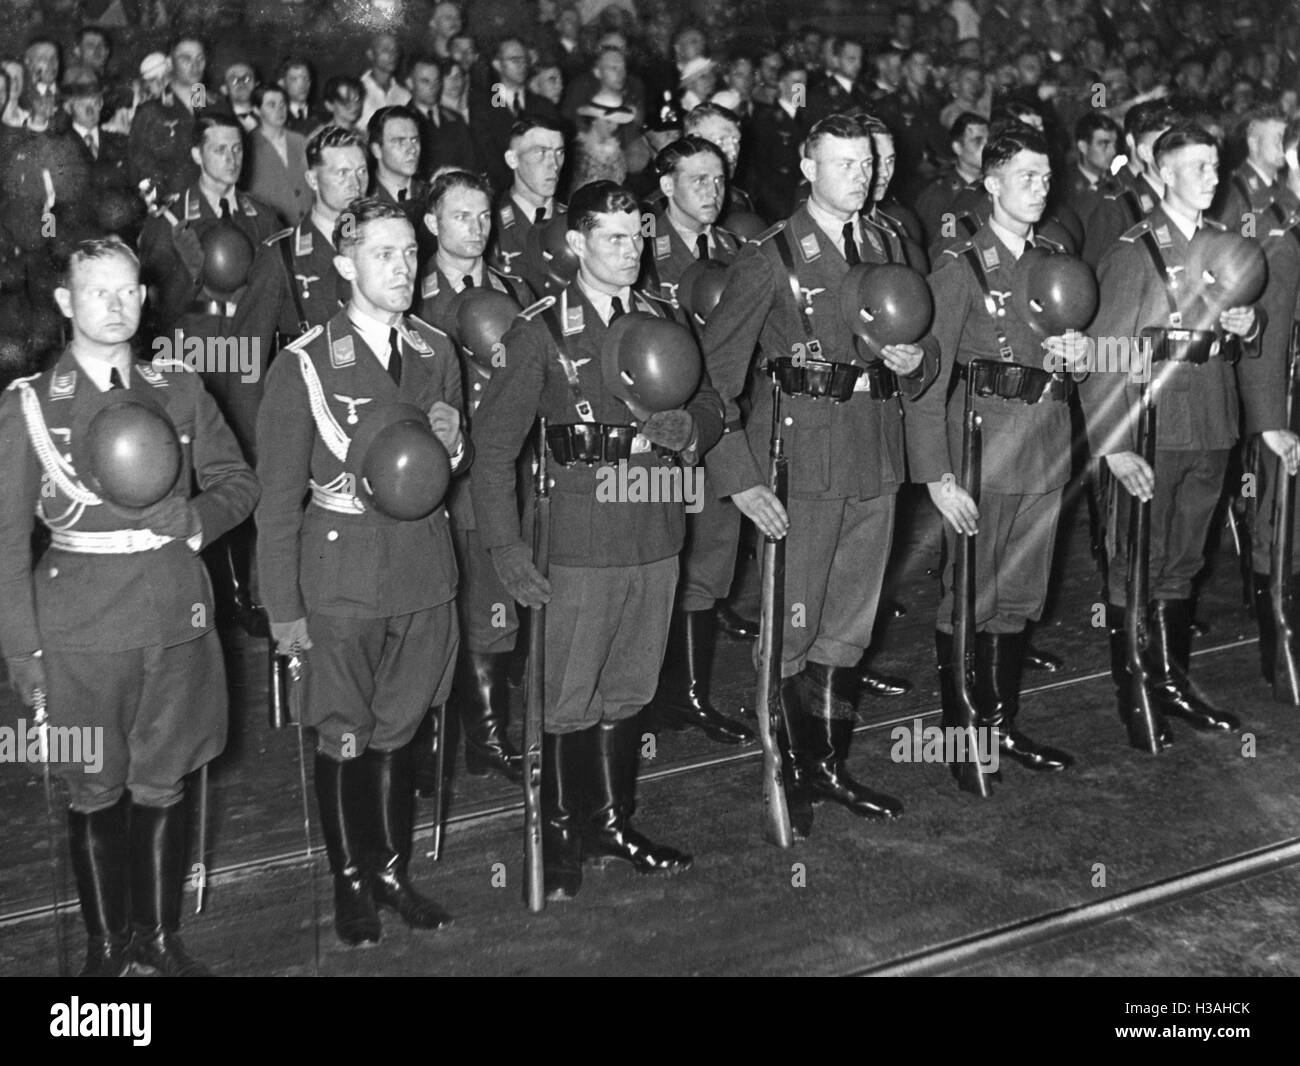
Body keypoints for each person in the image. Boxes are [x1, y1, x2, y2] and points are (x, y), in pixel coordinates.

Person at [0, 237, 259, 975]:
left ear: (145, 297)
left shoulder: (177, 388)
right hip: (79, 626)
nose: (117, 306)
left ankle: (160, 936)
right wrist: (24, 655)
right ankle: (105, 948)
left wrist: (200, 520)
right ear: (64, 304)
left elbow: (240, 482)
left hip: (175, 614)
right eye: (98, 292)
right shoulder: (27, 407)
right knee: (93, 787)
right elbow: (4, 542)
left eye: (129, 291)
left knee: (164, 779)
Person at [472, 180, 721, 899]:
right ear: (576, 243)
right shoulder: (541, 333)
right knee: (567, 695)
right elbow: (493, 454)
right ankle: (557, 833)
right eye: (613, 238)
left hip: (656, 524)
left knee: (630, 686)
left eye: (637, 235)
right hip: (577, 536)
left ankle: (611, 821)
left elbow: (709, 402)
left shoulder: (666, 314)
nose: (630, 250)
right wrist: (507, 550)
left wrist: (691, 431)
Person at [704, 114, 935, 826]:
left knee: (849, 626)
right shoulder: (770, 256)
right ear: (807, 169)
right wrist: (739, 478)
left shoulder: (890, 242)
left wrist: (915, 362)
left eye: (865, 164)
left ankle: (828, 764)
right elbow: (716, 377)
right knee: (793, 625)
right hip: (800, 462)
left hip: (874, 450)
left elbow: (920, 354)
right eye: (841, 163)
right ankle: (786, 770)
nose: (858, 176)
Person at [257, 197, 468, 945]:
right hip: (342, 574)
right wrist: (282, 612)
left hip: (421, 570)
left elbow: (448, 464)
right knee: (344, 731)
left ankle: (391, 872)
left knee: (400, 730)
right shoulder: (306, 362)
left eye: (411, 252)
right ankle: (349, 881)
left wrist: (452, 439)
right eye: (385, 254)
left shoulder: (438, 351)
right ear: (345, 264)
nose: (405, 268)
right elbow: (277, 501)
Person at [1080, 122, 1284, 748]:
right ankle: (1134, 689)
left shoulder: (1228, 246)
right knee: (1135, 559)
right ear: (1163, 173)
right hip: (1153, 426)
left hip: (1212, 419)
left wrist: (1249, 323)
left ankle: (1169, 682)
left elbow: (1245, 330)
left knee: (1183, 563)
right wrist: (1110, 447)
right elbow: (1104, 354)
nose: (1210, 178)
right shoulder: (1135, 250)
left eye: (1215, 167)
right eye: (1196, 167)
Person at [908, 125, 1085, 785]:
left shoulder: (1055, 258)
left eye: (1045, 177)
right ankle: (961, 739)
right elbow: (926, 379)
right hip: (981, 448)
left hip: (1044, 444)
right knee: (970, 596)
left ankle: (1001, 724)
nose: (1039, 189)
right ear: (991, 185)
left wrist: (1083, 355)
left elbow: (1083, 360)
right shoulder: (959, 268)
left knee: (1017, 599)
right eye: (1025, 177)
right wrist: (934, 476)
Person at [415, 169, 534, 784]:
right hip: (438, 475)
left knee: (492, 596)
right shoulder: (411, 297)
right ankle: (429, 732)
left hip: (503, 466)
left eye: (485, 216)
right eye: (462, 216)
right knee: (435, 602)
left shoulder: (514, 289)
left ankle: (486, 734)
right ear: (433, 222)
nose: (477, 227)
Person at [639, 136, 753, 745]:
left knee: (711, 555)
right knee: (658, 556)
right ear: (666, 186)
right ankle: (646, 694)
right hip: (662, 429)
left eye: (718, 180)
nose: (712, 191)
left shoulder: (737, 249)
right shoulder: (641, 248)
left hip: (721, 421)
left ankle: (689, 695)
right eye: (698, 180)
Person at [285, 125, 368, 328]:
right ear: (313, 180)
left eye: (362, 171)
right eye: (342, 173)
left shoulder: (379, 243)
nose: (356, 184)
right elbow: (250, 345)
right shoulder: (283, 256)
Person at [488, 116, 568, 290]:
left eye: (559, 153)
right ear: (512, 159)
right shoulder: (489, 224)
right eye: (541, 152)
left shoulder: (576, 220)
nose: (553, 164)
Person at [128, 35, 207, 199]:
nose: (195, 65)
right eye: (186, 58)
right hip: (173, 212)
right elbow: (140, 167)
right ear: (170, 63)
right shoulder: (150, 112)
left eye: (200, 58)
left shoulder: (216, 106)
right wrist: (159, 205)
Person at [246, 83, 310, 227]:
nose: (280, 110)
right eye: (271, 105)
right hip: (271, 229)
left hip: (306, 227)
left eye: (282, 104)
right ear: (257, 110)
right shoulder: (248, 146)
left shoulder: (300, 141)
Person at [358, 31, 411, 128]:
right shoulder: (357, 91)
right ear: (370, 54)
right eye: (385, 50)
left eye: (395, 50)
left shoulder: (405, 95)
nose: (392, 55)